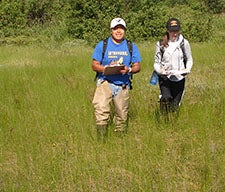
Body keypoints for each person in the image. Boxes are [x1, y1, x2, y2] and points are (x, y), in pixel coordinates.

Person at [92, 17, 141, 140]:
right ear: (111, 30)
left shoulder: (131, 46)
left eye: (121, 28)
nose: (118, 31)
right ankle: (101, 141)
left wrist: (128, 70)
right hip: (105, 81)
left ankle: (119, 141)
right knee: (101, 110)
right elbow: (94, 65)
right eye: (115, 28)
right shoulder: (102, 45)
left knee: (122, 115)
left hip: (123, 84)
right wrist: (106, 69)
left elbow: (137, 66)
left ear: (125, 30)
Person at [153, 18, 193, 118]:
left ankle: (171, 122)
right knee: (166, 98)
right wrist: (160, 71)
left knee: (174, 106)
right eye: (172, 31)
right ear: (167, 30)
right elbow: (156, 63)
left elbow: (189, 59)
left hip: (179, 77)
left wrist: (187, 69)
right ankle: (162, 117)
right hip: (165, 77)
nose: (174, 34)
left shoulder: (184, 43)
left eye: (176, 31)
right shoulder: (161, 44)